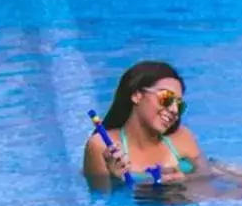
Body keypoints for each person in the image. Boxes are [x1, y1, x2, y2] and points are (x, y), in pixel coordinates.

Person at [83, 60, 202, 191]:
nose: (174, 109)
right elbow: (101, 201)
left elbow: (207, 178)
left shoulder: (182, 137)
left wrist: (185, 180)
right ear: (136, 95)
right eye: (166, 98)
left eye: (179, 105)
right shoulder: (101, 146)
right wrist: (115, 180)